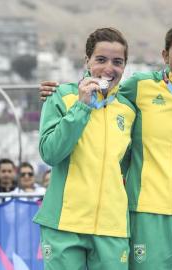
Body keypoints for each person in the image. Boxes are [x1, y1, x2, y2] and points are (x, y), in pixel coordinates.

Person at [40, 23, 172, 270]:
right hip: (136, 210)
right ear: (165, 56)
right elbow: (52, 150)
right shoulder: (137, 88)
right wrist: (68, 97)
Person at [33, 27, 135, 270]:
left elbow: (125, 165)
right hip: (65, 223)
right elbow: (50, 153)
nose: (109, 68)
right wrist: (82, 107)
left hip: (112, 226)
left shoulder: (129, 110)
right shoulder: (61, 97)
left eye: (117, 62)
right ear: (87, 61)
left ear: (125, 66)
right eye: (101, 59)